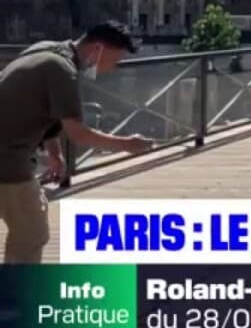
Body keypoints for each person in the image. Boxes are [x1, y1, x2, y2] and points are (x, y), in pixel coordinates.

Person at [0, 22, 156, 264]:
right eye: (113, 61)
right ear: (98, 49)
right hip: (8, 158)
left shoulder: (46, 50)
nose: (111, 69)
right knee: (31, 233)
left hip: (11, 151)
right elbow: (77, 132)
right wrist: (127, 144)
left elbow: (44, 111)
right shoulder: (63, 71)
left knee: (29, 221)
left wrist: (55, 154)